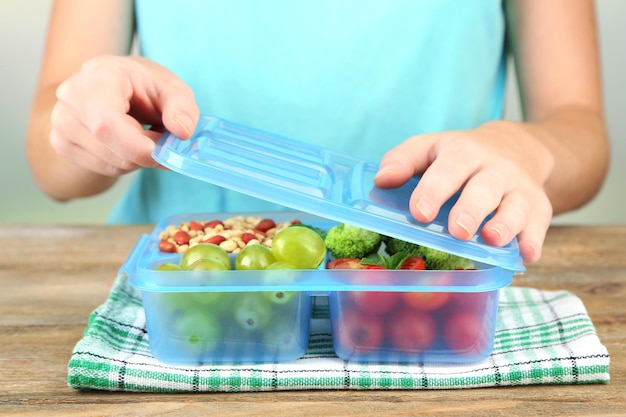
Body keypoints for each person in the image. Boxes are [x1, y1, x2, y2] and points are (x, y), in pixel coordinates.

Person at [26, 0, 609, 264]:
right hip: (185, 278)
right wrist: (88, 119)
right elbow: (51, 162)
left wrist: (526, 149)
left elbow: (580, 128)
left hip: (428, 268)